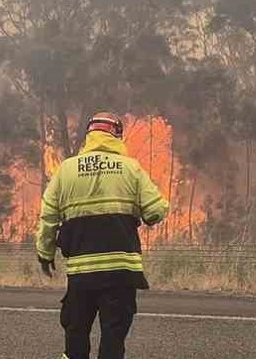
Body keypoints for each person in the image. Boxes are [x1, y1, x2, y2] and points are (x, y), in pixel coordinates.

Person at [35, 112, 168, 359]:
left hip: (81, 275)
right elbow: (155, 211)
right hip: (121, 273)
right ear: (117, 135)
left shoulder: (66, 170)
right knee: (113, 339)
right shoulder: (131, 168)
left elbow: (48, 218)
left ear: (89, 135)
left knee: (76, 337)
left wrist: (45, 253)